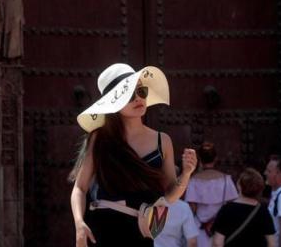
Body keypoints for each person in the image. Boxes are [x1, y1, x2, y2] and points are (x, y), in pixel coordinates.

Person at [69, 63, 198, 247]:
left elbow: (169, 196)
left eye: (142, 91)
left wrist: (186, 174)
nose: (138, 98)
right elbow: (79, 188)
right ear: (114, 102)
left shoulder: (163, 141)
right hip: (104, 230)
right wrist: (79, 224)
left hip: (142, 232)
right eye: (129, 95)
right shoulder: (100, 138)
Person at [185, 142, 238, 246]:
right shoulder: (226, 179)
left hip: (200, 229)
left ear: (200, 159)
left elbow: (192, 209)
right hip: (221, 229)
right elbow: (233, 206)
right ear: (216, 158)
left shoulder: (194, 181)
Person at [211, 168, 276, 247]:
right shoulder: (263, 211)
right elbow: (272, 243)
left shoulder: (227, 209)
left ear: (239, 185)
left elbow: (218, 242)